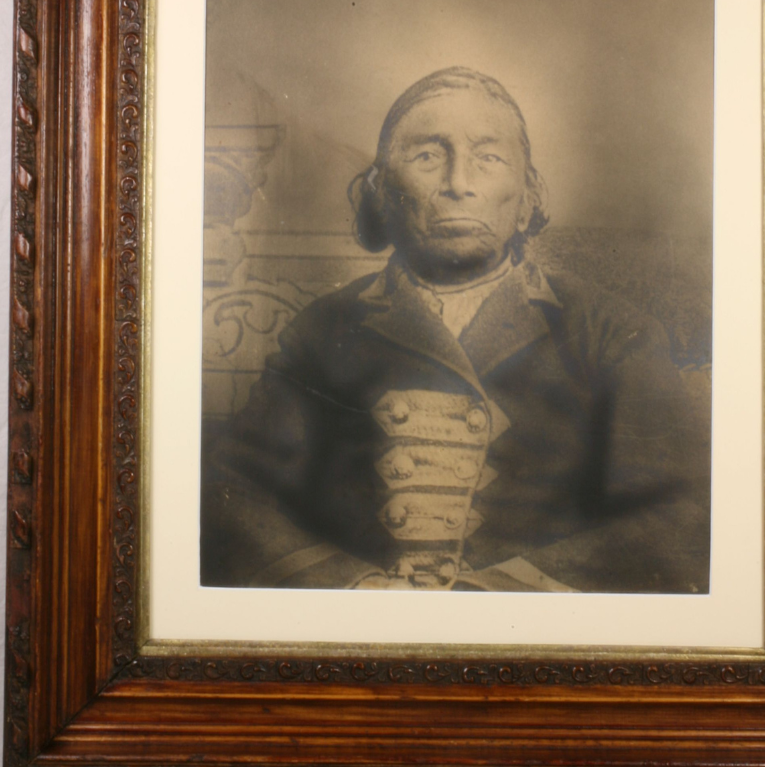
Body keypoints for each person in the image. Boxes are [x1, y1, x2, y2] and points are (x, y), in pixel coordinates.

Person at [201, 67, 709, 593]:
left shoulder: (608, 332)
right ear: (381, 193)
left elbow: (679, 514)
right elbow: (234, 495)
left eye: (488, 158)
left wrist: (499, 596)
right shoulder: (324, 328)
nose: (458, 183)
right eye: (427, 156)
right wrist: (352, 588)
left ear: (528, 195)